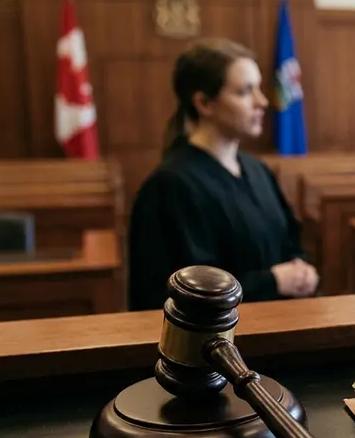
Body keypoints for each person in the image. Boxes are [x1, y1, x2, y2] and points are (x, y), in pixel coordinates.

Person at [127, 38, 318, 310]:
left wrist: (301, 270)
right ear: (204, 103)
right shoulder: (171, 185)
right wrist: (273, 282)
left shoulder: (257, 169)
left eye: (259, 88)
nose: (262, 101)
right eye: (244, 91)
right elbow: (185, 293)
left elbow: (290, 241)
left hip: (281, 325)